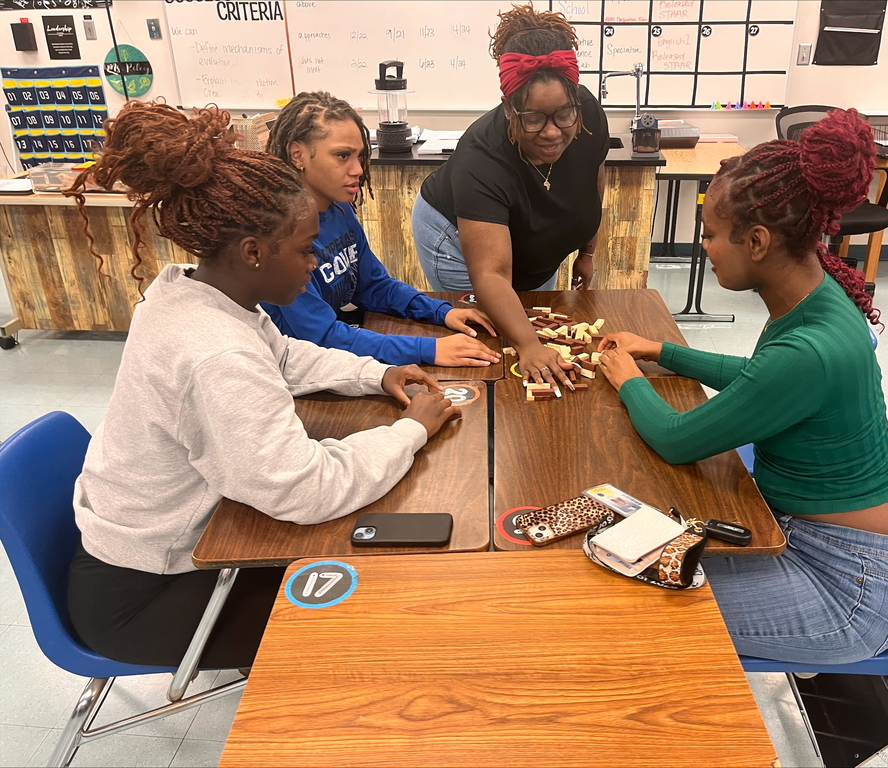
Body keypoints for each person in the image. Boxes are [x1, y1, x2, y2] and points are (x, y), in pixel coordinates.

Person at [62, 102, 460, 669]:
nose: (313, 264)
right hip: (147, 591)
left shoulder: (195, 291)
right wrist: (410, 431)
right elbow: (308, 489)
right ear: (253, 252)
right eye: (304, 250)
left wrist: (377, 373)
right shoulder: (215, 353)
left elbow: (285, 356)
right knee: (386, 614)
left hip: (166, 550)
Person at [597, 109, 888, 665]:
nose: (705, 247)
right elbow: (762, 379)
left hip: (850, 588)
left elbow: (675, 438)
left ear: (756, 240)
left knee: (628, 607)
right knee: (633, 556)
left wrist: (629, 380)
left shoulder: (809, 350)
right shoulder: (814, 296)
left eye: (710, 234)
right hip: (809, 536)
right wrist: (662, 351)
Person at [412, 4, 609, 392]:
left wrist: (587, 252)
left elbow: (593, 183)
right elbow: (490, 274)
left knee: (531, 319)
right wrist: (528, 346)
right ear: (509, 108)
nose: (552, 132)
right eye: (533, 118)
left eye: (563, 115)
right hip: (454, 237)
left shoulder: (586, 113)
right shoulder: (480, 159)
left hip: (532, 236)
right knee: (491, 345)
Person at [263, 91, 501, 369]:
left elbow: (374, 286)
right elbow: (321, 338)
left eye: (359, 156)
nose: (357, 169)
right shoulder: (278, 237)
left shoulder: (341, 210)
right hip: (290, 369)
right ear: (297, 154)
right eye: (342, 156)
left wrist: (441, 312)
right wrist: (427, 348)